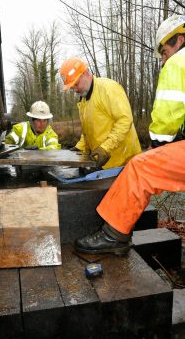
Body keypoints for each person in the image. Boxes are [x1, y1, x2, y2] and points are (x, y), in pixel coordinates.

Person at [74, 14, 185, 256]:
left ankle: (114, 236)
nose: (164, 60)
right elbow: (87, 127)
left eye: (165, 52)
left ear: (180, 40)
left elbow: (166, 116)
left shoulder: (179, 62)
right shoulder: (83, 100)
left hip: (118, 154)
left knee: (141, 168)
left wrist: (157, 145)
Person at [59, 57, 142, 170]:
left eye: (76, 84)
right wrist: (80, 147)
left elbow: (125, 120)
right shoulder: (83, 100)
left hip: (124, 162)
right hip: (103, 163)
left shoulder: (108, 88)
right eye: (72, 87)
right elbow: (88, 131)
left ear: (86, 74)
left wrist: (106, 148)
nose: (75, 90)